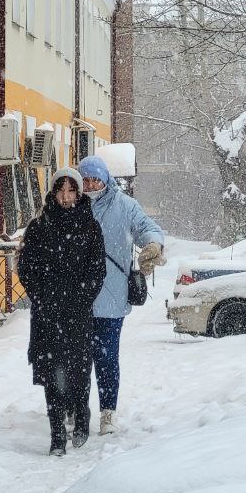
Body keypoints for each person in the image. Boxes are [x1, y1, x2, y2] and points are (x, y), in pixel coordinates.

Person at [18, 168, 106, 456]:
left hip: (78, 314)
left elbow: (97, 270)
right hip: (47, 314)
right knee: (52, 373)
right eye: (61, 190)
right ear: (53, 192)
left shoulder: (90, 227)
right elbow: (27, 268)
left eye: (71, 190)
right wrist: (41, 298)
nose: (66, 196)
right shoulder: (40, 226)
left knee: (78, 372)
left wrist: (82, 298)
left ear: (79, 193)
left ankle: (82, 416)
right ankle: (57, 435)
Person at [77, 155, 166, 435]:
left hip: (111, 298)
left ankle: (107, 412)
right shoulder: (68, 205)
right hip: (75, 300)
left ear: (106, 179)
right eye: (86, 179)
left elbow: (147, 228)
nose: (91, 184)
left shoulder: (125, 206)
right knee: (76, 361)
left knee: (106, 358)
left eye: (95, 178)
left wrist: (153, 245)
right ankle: (74, 411)